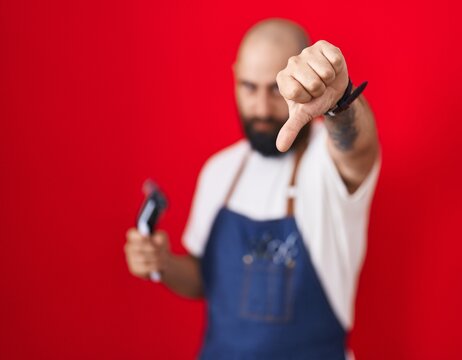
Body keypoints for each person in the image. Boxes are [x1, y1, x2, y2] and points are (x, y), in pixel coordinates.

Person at [125, 18, 381, 360]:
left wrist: (341, 104)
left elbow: (357, 151)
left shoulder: (328, 164)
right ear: (234, 76)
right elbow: (204, 278)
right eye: (249, 87)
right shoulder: (220, 171)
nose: (261, 108)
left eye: (275, 89)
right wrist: (162, 263)